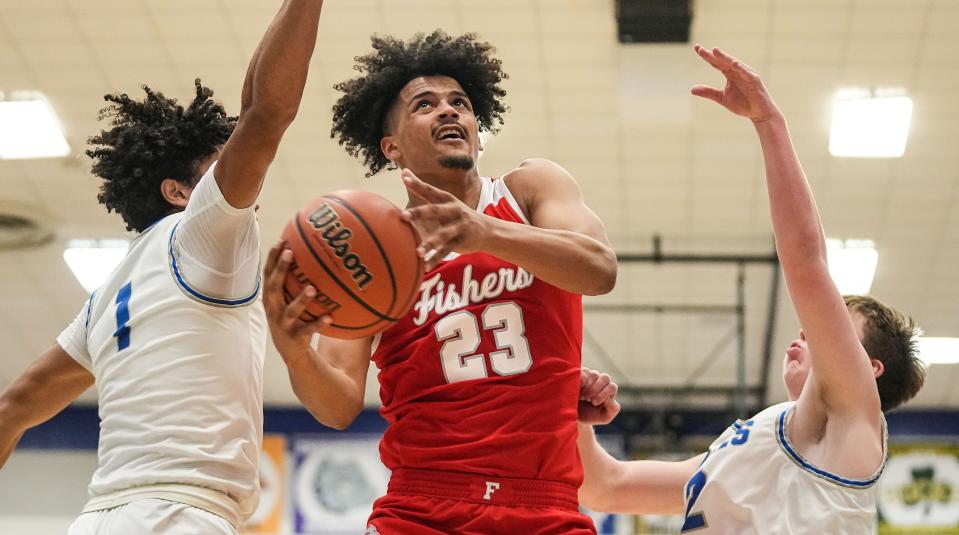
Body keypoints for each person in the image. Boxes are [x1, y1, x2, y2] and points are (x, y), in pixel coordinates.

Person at [262, 30, 617, 534]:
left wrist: (486, 232)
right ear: (391, 147)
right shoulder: (371, 252)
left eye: (460, 103)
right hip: (422, 507)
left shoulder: (528, 190)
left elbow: (599, 269)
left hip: (543, 505)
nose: (449, 112)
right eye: (424, 105)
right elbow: (337, 405)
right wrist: (295, 351)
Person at [0, 2, 325, 533]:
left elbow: (11, 409)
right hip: (176, 517)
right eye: (220, 166)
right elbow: (264, 115)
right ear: (179, 192)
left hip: (97, 518)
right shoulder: (202, 233)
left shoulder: (106, 295)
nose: (242, 180)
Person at [575, 45, 927, 534]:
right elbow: (605, 485)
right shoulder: (748, 441)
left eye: (836, 329)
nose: (808, 328)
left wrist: (769, 121)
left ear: (868, 370)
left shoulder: (854, 420)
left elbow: (806, 263)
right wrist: (572, 411)